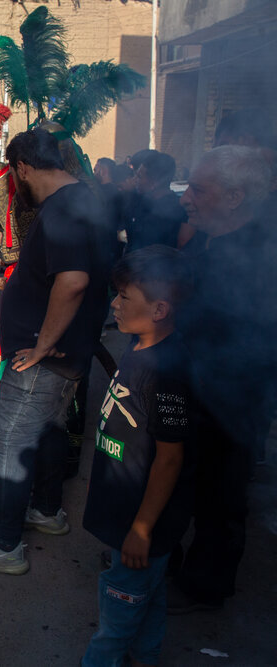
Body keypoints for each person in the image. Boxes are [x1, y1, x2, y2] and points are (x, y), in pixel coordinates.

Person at [0, 128, 114, 574]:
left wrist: (42, 344)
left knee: (10, 438)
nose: (12, 185)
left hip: (45, 358)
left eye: (13, 176)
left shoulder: (66, 207)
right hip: (63, 356)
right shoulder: (80, 199)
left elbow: (74, 280)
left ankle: (3, 544)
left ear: (23, 168)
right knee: (47, 432)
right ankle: (45, 509)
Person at [170, 145, 277, 613]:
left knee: (219, 497)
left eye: (198, 188)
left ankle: (205, 585)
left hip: (229, 404)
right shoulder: (207, 239)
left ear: (235, 197)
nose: (186, 198)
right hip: (196, 395)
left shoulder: (259, 258)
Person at [80, 246, 193, 666]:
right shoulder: (138, 345)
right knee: (149, 602)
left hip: (142, 527)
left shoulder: (167, 372)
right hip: (125, 513)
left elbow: (169, 459)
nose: (115, 303)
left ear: (160, 308)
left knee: (113, 627)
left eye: (125, 297)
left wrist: (142, 529)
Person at [124, 151, 186, 252]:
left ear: (155, 182)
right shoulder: (142, 202)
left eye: (139, 176)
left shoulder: (175, 210)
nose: (135, 180)